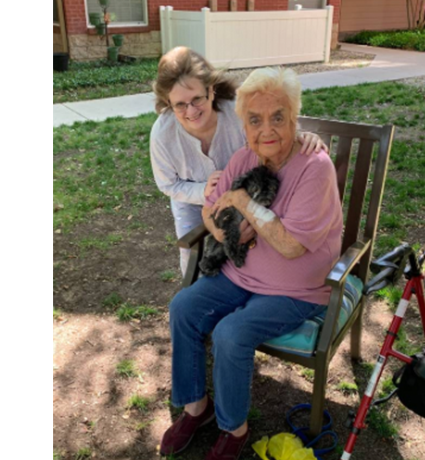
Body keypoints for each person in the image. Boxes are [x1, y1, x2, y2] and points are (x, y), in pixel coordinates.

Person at [159, 67, 343, 460]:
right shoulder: (244, 158)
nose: (267, 130)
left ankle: (233, 429)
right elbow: (210, 211)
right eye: (255, 120)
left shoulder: (315, 167)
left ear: (295, 118)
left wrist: (243, 204)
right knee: (184, 308)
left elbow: (292, 246)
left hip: (295, 289)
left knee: (230, 333)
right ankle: (197, 407)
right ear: (243, 125)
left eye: (279, 116)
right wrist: (226, 233)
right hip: (240, 273)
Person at [150, 47, 327, 275]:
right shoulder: (162, 134)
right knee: (193, 260)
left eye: (197, 99)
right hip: (191, 203)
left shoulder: (236, 111)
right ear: (168, 102)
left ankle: (241, 286)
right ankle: (199, 293)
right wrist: (203, 190)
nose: (191, 111)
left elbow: (272, 130)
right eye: (180, 105)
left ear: (211, 91)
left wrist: (301, 137)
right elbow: (168, 184)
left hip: (246, 193)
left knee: (246, 247)